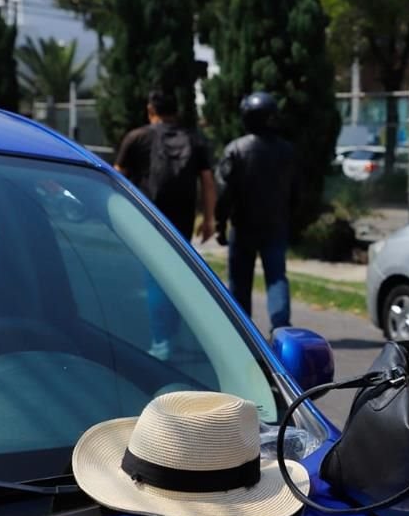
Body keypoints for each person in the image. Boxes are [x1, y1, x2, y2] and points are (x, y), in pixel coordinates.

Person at [115, 89, 216, 360]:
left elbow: (115, 178)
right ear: (176, 112)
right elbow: (207, 180)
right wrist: (208, 219)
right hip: (182, 218)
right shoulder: (194, 140)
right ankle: (177, 337)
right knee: (179, 277)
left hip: (150, 216)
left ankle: (162, 342)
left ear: (151, 111)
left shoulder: (137, 137)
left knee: (156, 279)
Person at [215, 91, 296, 331]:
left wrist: (221, 222)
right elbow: (297, 190)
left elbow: (225, 192)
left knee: (240, 280)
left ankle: (242, 328)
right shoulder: (286, 150)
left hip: (243, 226)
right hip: (275, 224)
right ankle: (281, 326)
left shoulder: (236, 150)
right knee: (276, 277)